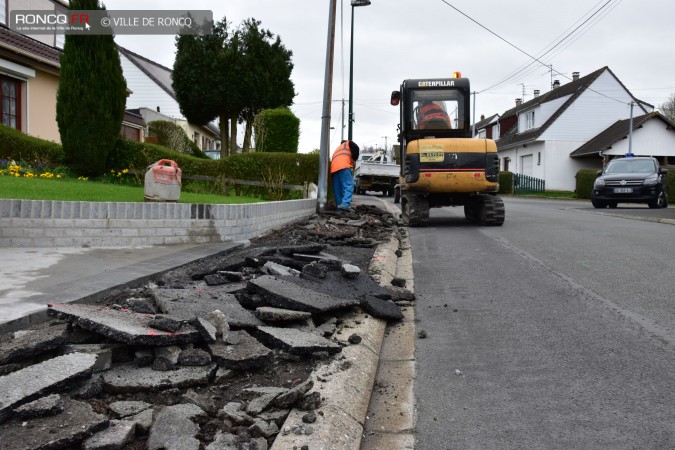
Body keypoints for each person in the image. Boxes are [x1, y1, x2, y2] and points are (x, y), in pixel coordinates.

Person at [331, 139, 359, 212]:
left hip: (334, 168)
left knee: (338, 189)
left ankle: (339, 208)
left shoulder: (337, 149)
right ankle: (345, 204)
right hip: (344, 166)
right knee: (349, 185)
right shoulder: (349, 143)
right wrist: (354, 160)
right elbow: (356, 152)